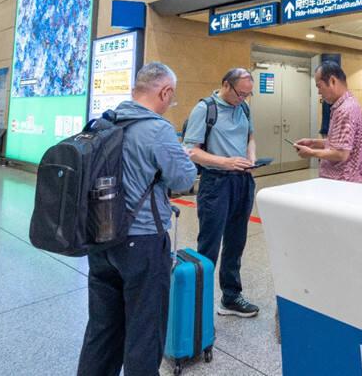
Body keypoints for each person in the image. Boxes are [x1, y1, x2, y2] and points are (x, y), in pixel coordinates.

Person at [77, 62, 197, 376]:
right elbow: (184, 179)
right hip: (142, 243)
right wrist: (182, 158)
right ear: (165, 92)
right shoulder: (158, 129)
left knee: (102, 330)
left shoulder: (103, 123)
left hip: (101, 238)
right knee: (145, 332)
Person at [183, 68, 259, 318]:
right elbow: (191, 151)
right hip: (216, 183)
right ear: (226, 84)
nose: (243, 99)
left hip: (242, 180)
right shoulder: (205, 109)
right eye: (240, 93)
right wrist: (226, 162)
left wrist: (251, 157)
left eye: (248, 95)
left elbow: (250, 137)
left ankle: (231, 296)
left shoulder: (243, 108)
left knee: (236, 242)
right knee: (210, 244)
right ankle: (200, 304)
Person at [294, 61, 362, 183]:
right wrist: (313, 142)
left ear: (332, 81)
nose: (319, 92)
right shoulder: (348, 105)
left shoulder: (345, 110)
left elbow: (341, 153)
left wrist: (311, 153)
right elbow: (340, 143)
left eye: (319, 86)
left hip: (343, 182)